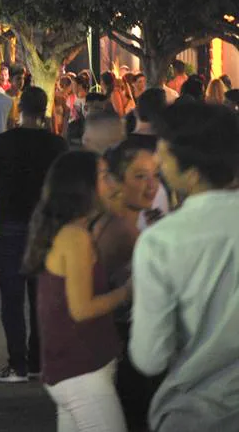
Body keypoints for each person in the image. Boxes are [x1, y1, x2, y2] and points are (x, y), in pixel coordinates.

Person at [129, 102, 239, 432]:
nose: (159, 164)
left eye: (164, 156)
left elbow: (150, 357)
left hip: (197, 410)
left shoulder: (162, 241)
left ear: (191, 172)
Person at [24, 151, 131, 432]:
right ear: (82, 186)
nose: (114, 184)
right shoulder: (75, 237)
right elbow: (82, 308)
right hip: (82, 373)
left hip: (73, 370)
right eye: (104, 176)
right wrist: (127, 292)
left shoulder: (75, 232)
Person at [0, 86, 68, 383]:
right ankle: (37, 361)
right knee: (40, 297)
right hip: (45, 228)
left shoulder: (3, 143)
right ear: (44, 110)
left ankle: (16, 364)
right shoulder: (57, 146)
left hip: (9, 225)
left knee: (12, 298)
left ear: (19, 108)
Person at [97, 141, 162, 431]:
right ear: (115, 181)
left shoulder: (144, 224)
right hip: (117, 350)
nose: (152, 186)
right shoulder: (113, 232)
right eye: (140, 176)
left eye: (155, 175)